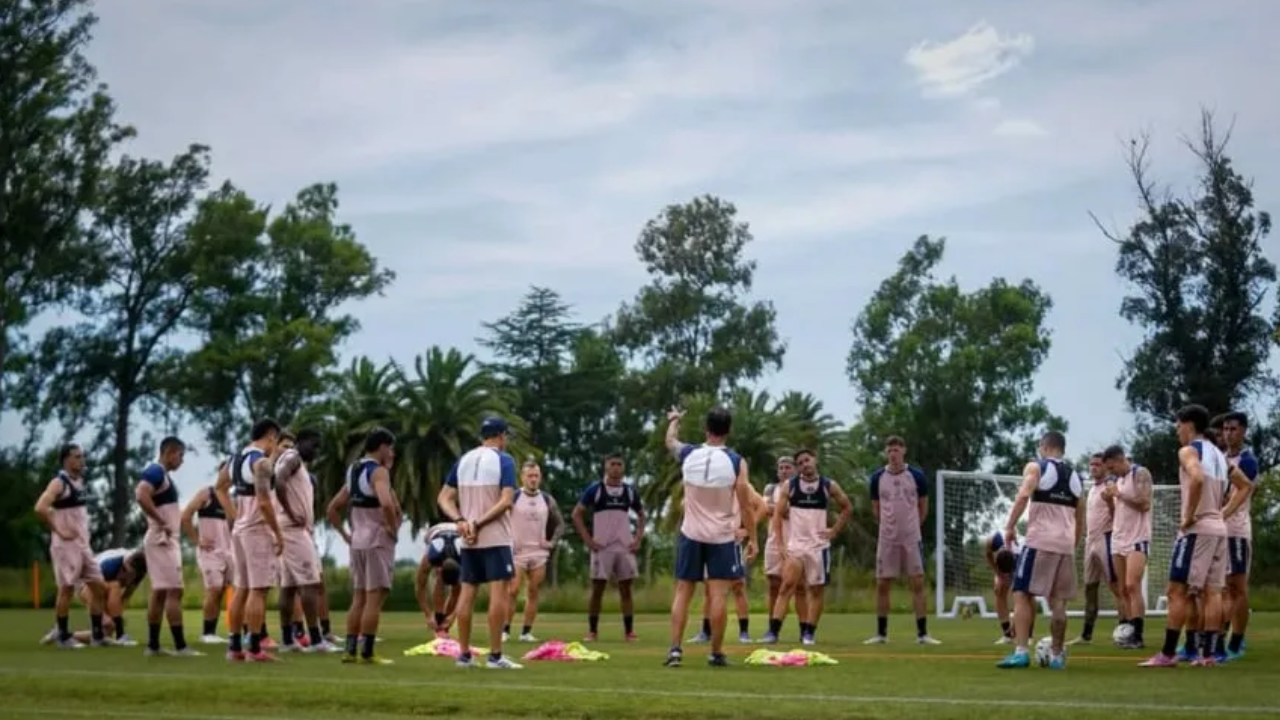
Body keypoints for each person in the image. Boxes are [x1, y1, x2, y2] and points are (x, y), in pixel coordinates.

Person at [1140, 404, 1252, 668]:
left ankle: (1167, 654)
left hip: (1198, 529)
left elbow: (1197, 478)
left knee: (1177, 590)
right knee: (1213, 592)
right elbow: (1245, 486)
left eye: (1178, 425)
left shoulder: (1189, 451)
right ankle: (1210, 654)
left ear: (1189, 425)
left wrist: (1188, 516)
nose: (1177, 431)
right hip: (1218, 530)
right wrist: (1222, 514)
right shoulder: (1219, 454)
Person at [662, 406, 757, 668]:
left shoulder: (690, 454)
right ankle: (715, 652)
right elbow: (746, 504)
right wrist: (753, 537)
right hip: (721, 536)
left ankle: (675, 650)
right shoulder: (736, 461)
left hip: (691, 533)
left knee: (683, 592)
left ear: (707, 428)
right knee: (718, 596)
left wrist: (674, 421)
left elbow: (670, 441)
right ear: (729, 430)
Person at [437, 417, 522, 669]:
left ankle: (464, 655)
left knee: (467, 594)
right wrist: (478, 524)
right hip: (494, 536)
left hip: (468, 539)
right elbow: (506, 500)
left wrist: (461, 521)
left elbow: (444, 498)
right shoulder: (504, 460)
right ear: (501, 436)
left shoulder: (463, 460)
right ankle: (495, 656)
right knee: (500, 594)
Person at [997, 430, 1085, 670]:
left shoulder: (1037, 467)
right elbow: (1080, 517)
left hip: (1040, 542)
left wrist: (1009, 526)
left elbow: (1024, 494)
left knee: (1022, 593)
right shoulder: (1076, 477)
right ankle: (1057, 656)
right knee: (1058, 603)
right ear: (1063, 449)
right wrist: (1072, 546)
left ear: (1043, 447)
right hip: (1065, 546)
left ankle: (1021, 651)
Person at [327, 427, 400, 665]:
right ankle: (367, 651)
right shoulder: (379, 472)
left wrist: (345, 535)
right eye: (390, 447)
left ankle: (349, 650)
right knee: (374, 598)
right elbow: (387, 504)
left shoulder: (354, 469)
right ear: (382, 447)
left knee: (358, 598)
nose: (392, 452)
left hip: (357, 540)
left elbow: (333, 508)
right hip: (377, 541)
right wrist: (392, 528)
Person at [764, 448, 851, 645]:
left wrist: (834, 530)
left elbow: (847, 507)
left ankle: (809, 633)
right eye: (801, 462)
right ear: (798, 467)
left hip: (819, 547)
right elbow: (777, 515)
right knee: (786, 586)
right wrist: (780, 544)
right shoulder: (790, 485)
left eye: (807, 460)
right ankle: (773, 631)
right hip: (796, 546)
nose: (805, 464)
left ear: (815, 460)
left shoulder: (828, 485)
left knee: (816, 590)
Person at [218, 418, 284, 662]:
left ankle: (235, 647)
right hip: (257, 531)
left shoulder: (235, 459)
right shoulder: (261, 462)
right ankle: (255, 649)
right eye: (275, 440)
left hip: (240, 530)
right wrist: (278, 534)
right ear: (270, 436)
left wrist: (235, 518)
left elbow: (219, 488)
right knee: (259, 590)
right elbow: (265, 502)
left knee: (241, 589)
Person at [33, 443, 110, 649]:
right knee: (66, 589)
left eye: (82, 456)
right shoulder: (59, 483)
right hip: (66, 547)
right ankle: (63, 636)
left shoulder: (81, 482)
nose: (81, 460)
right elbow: (41, 507)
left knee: (100, 588)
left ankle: (96, 635)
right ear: (66, 460)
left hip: (84, 547)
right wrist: (59, 530)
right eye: (77, 457)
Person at [865, 436, 939, 645]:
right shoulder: (877, 477)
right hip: (887, 538)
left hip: (911, 538)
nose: (893, 454)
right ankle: (881, 633)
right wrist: (887, 526)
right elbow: (876, 507)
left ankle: (923, 633)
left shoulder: (916, 475)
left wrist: (912, 526)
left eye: (896, 450)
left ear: (904, 451)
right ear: (885, 453)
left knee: (917, 582)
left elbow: (923, 506)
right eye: (889, 450)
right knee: (882, 584)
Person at [135, 436, 201, 657]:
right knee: (175, 590)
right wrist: (161, 521)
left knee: (161, 592)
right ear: (170, 452)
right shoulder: (156, 472)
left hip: (162, 540)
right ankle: (181, 646)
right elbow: (141, 494)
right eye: (181, 455)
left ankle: (153, 646)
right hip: (161, 540)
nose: (181, 461)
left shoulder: (162, 476)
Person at [274, 429, 338, 654]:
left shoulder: (293, 460)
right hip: (293, 530)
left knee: (288, 587)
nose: (316, 451)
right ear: (300, 442)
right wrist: (292, 513)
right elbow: (278, 480)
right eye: (313, 445)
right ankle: (316, 639)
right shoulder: (292, 458)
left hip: (288, 530)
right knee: (310, 584)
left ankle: (287, 640)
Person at [572, 453, 645, 642]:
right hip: (602, 547)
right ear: (605, 466)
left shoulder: (629, 491)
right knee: (597, 589)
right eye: (612, 464)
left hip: (624, 547)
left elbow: (641, 514)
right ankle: (592, 631)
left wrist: (637, 538)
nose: (616, 468)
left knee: (626, 589)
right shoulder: (595, 490)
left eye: (619, 464)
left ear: (624, 468)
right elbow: (576, 514)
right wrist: (588, 540)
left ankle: (629, 631)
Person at [693, 485, 767, 645]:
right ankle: (706, 632)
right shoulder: (705, 483)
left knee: (738, 586)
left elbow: (762, 506)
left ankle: (744, 632)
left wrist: (747, 529)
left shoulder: (739, 484)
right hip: (709, 541)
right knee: (708, 588)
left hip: (730, 542)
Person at [505, 461, 565, 643]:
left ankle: (526, 632)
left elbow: (561, 524)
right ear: (522, 477)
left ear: (540, 478)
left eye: (536, 476)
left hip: (539, 552)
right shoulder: (513, 497)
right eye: (529, 476)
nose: (533, 479)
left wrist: (552, 542)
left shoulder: (547, 499)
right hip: (517, 552)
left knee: (533, 591)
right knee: (513, 590)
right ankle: (505, 630)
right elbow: (500, 518)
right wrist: (507, 541)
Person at [1101, 444, 1153, 650]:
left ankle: (1138, 634)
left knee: (1133, 585)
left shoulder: (1140, 473)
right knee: (1122, 589)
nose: (1111, 472)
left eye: (1112, 467)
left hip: (1137, 537)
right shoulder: (1117, 480)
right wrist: (1109, 499)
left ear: (1121, 459)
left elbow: (1145, 503)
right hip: (1118, 537)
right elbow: (1117, 510)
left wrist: (1119, 494)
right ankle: (1129, 631)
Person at [41, 548, 148, 647]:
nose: (126, 575)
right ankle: (121, 635)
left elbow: (126, 596)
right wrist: (102, 615)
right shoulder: (109, 564)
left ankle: (65, 635)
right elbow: (90, 590)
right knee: (115, 586)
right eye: (124, 570)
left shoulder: (140, 571)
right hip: (85, 587)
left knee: (109, 629)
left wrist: (117, 617)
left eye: (130, 573)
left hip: (104, 591)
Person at [1070, 452, 1124, 645]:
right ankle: (1086, 634)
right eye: (1091, 464)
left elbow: (1117, 512)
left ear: (1105, 466)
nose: (1094, 467)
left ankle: (1125, 630)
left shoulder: (1110, 487)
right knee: (1090, 587)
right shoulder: (1091, 489)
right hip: (1090, 541)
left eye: (1097, 464)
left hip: (1106, 538)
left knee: (1116, 586)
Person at [179, 463, 234, 644]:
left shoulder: (230, 499)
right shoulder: (206, 494)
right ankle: (207, 633)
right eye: (226, 471)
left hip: (229, 552)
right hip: (209, 553)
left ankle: (220, 632)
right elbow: (186, 516)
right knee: (214, 588)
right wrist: (196, 540)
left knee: (225, 591)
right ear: (220, 473)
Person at [1220, 410, 1258, 660]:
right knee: (1222, 589)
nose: (1228, 434)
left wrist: (1222, 512)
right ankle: (1217, 637)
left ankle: (1237, 640)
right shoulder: (1219, 458)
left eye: (1233, 429)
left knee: (1238, 587)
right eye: (1225, 429)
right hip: (1219, 532)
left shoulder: (1247, 460)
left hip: (1236, 530)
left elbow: (1244, 491)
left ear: (1243, 431)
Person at [761, 456, 808, 637]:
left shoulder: (801, 489)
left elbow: (795, 512)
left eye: (788, 467)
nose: (784, 470)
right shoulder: (771, 488)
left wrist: (778, 509)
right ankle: (772, 627)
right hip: (774, 541)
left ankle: (804, 629)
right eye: (781, 467)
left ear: (795, 470)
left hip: (796, 541)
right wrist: (781, 509)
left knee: (799, 587)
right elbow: (765, 508)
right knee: (774, 585)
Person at [416, 521, 463, 637]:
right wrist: (428, 615)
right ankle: (439, 620)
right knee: (439, 582)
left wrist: (454, 615)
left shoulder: (466, 556)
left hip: (458, 531)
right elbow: (420, 586)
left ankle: (445, 622)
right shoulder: (430, 557)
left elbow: (468, 592)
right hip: (435, 532)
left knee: (458, 588)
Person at [982, 531, 1020, 643]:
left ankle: (1028, 636)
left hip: (1019, 561)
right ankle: (1007, 635)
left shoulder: (1019, 551)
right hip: (1004, 563)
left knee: (1021, 596)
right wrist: (998, 574)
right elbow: (988, 555)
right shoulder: (992, 540)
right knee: (999, 590)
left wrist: (1015, 620)